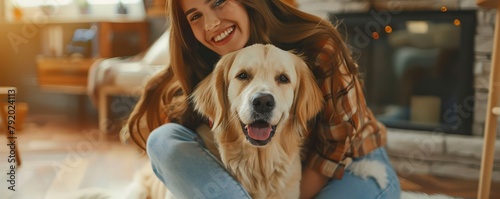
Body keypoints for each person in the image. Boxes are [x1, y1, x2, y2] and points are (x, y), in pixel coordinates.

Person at [127, 0, 401, 198]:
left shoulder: (318, 47)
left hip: (354, 162)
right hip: (257, 165)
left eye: (219, 2)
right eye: (195, 16)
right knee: (163, 140)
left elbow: (336, 148)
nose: (211, 23)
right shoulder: (210, 59)